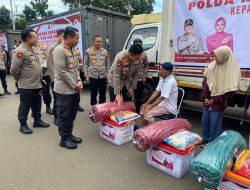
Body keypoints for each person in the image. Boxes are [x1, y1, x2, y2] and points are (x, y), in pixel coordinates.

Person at [11, 28, 50, 134]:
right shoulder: (20, 51)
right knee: (25, 105)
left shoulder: (33, 49)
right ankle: (23, 124)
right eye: (35, 37)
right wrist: (20, 80)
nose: (37, 39)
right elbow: (14, 70)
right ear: (28, 39)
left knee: (37, 103)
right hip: (26, 85)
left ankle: (37, 120)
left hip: (37, 83)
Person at [200, 46, 240, 148]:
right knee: (205, 121)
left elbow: (230, 92)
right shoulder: (213, 65)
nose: (214, 58)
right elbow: (205, 81)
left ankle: (212, 144)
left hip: (218, 103)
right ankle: (204, 140)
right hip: (208, 99)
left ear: (223, 56)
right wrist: (205, 97)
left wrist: (214, 101)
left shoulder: (232, 70)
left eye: (216, 56)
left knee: (215, 124)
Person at [53, 26, 83, 149]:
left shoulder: (71, 49)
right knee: (64, 115)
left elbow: (75, 68)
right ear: (69, 37)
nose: (78, 41)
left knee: (72, 114)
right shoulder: (59, 50)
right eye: (76, 38)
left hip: (74, 88)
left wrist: (80, 81)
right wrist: (74, 85)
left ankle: (69, 134)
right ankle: (64, 139)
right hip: (64, 90)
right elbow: (61, 71)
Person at [84, 35, 110, 106]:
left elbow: (107, 64)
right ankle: (93, 109)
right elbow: (85, 65)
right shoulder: (88, 51)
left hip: (102, 76)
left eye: (100, 41)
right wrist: (86, 76)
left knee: (103, 94)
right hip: (92, 76)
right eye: (97, 41)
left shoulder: (105, 52)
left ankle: (102, 110)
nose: (99, 43)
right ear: (93, 42)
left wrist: (108, 75)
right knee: (93, 94)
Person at [47, 29, 64, 124]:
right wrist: (54, 78)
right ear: (57, 36)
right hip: (56, 78)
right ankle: (56, 117)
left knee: (62, 99)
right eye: (62, 36)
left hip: (63, 78)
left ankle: (61, 115)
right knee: (57, 99)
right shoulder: (52, 48)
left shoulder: (64, 47)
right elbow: (50, 65)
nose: (63, 38)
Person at [36, 42, 54, 115]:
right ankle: (36, 111)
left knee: (46, 91)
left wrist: (44, 66)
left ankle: (48, 107)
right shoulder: (30, 49)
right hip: (35, 75)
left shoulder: (44, 47)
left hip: (45, 73)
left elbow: (48, 58)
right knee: (35, 93)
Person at [132, 39, 149, 113]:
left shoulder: (144, 54)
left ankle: (137, 111)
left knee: (138, 98)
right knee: (130, 98)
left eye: (140, 45)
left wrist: (144, 76)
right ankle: (130, 112)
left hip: (139, 79)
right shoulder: (130, 53)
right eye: (137, 45)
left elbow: (146, 65)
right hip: (130, 80)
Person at [74, 47, 84, 112]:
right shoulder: (65, 50)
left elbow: (80, 61)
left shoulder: (77, 50)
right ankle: (73, 105)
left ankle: (77, 105)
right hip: (70, 72)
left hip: (77, 72)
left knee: (78, 90)